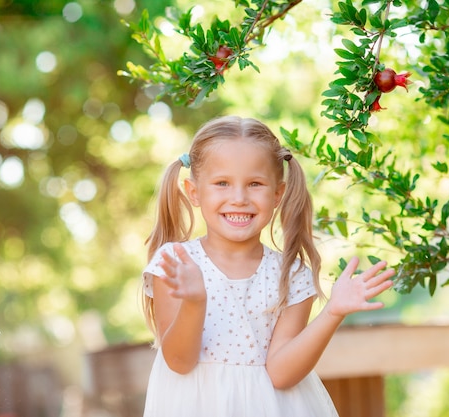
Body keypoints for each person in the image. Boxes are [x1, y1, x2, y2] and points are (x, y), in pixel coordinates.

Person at [141, 115, 395, 417]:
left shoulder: (291, 274)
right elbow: (179, 361)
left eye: (255, 184)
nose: (238, 198)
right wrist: (194, 302)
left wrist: (333, 312)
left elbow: (281, 374)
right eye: (222, 183)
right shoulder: (175, 263)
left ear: (277, 194)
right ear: (194, 192)